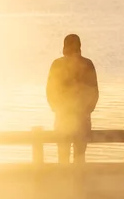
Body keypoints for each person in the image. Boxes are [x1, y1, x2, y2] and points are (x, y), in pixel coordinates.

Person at [46, 34, 99, 164]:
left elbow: (50, 91)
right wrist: (87, 110)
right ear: (80, 47)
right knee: (79, 157)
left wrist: (56, 108)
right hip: (81, 118)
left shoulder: (57, 64)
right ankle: (78, 182)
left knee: (63, 156)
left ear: (64, 47)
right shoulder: (87, 64)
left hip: (64, 117)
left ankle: (65, 181)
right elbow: (94, 91)